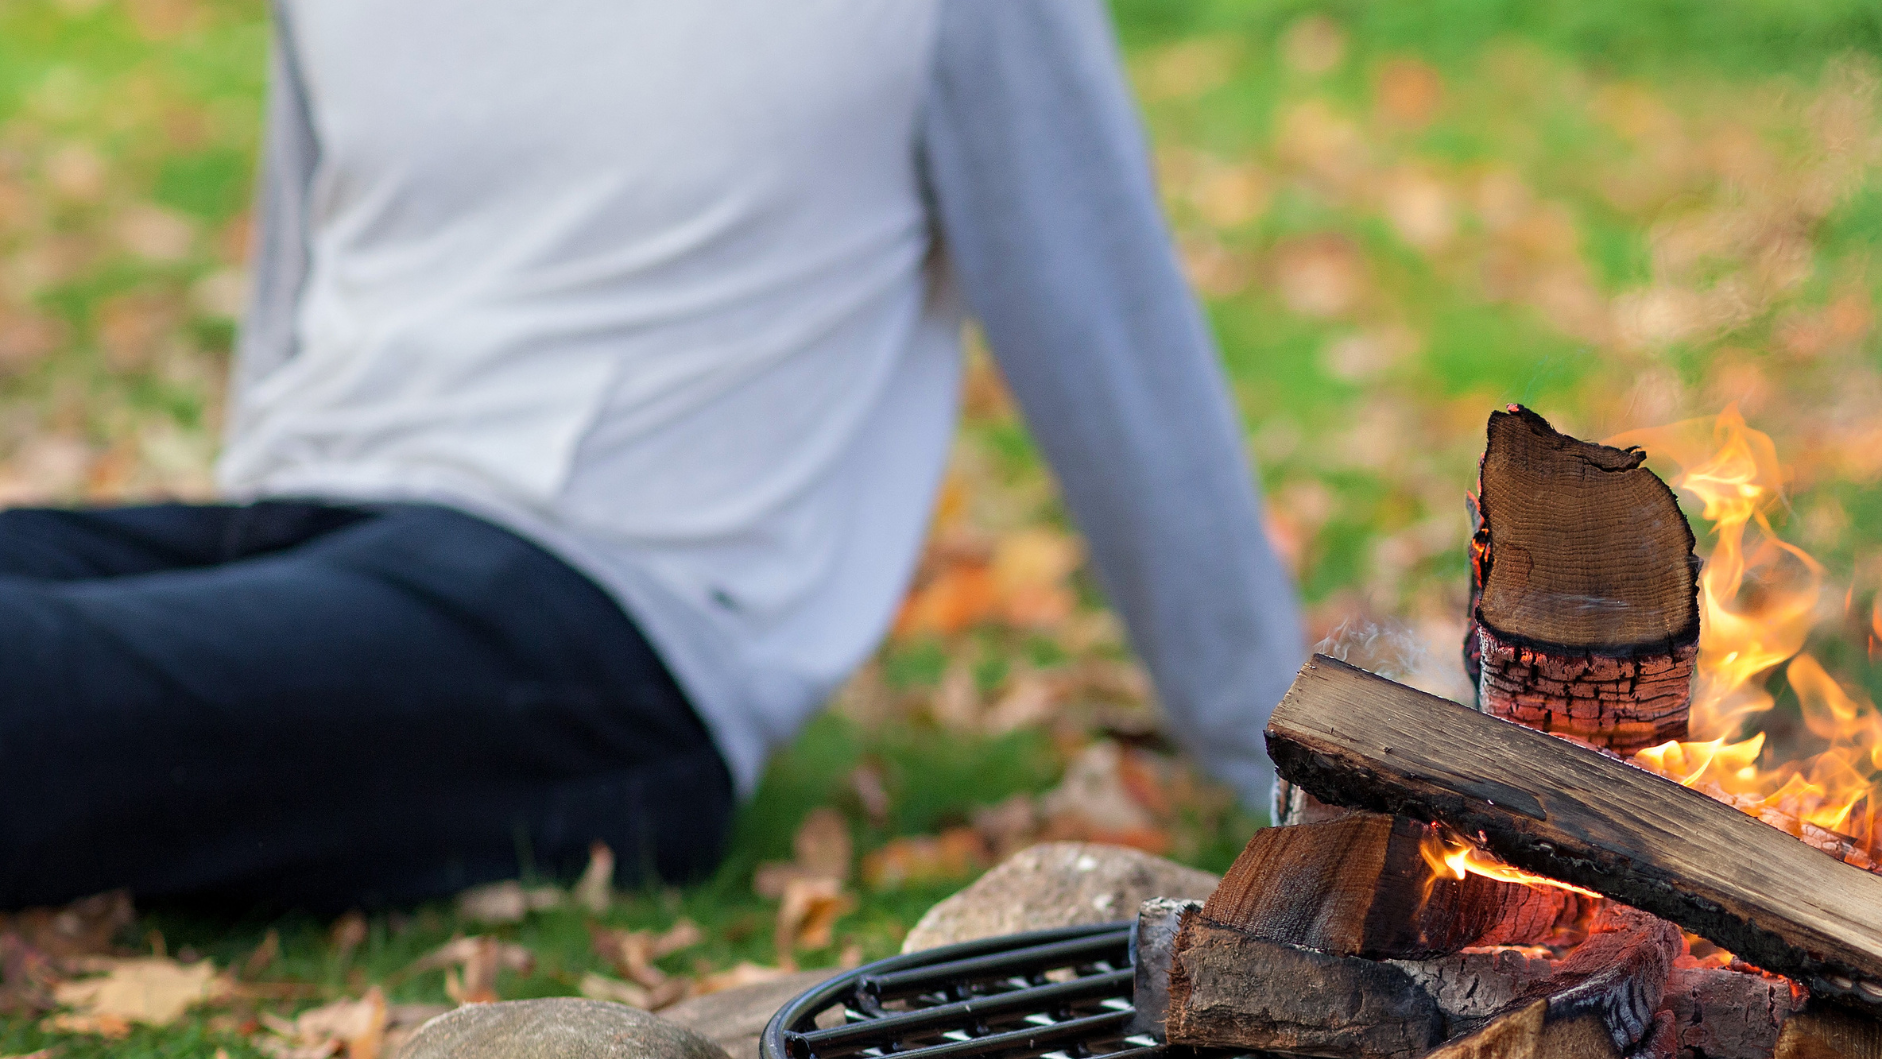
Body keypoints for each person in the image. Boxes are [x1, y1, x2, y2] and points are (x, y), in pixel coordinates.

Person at [0, 0, 1302, 912]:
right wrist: (232, 607)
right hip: (316, 514)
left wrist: (1281, 750)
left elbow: (1109, 330)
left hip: (612, 619)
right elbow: (302, 264)